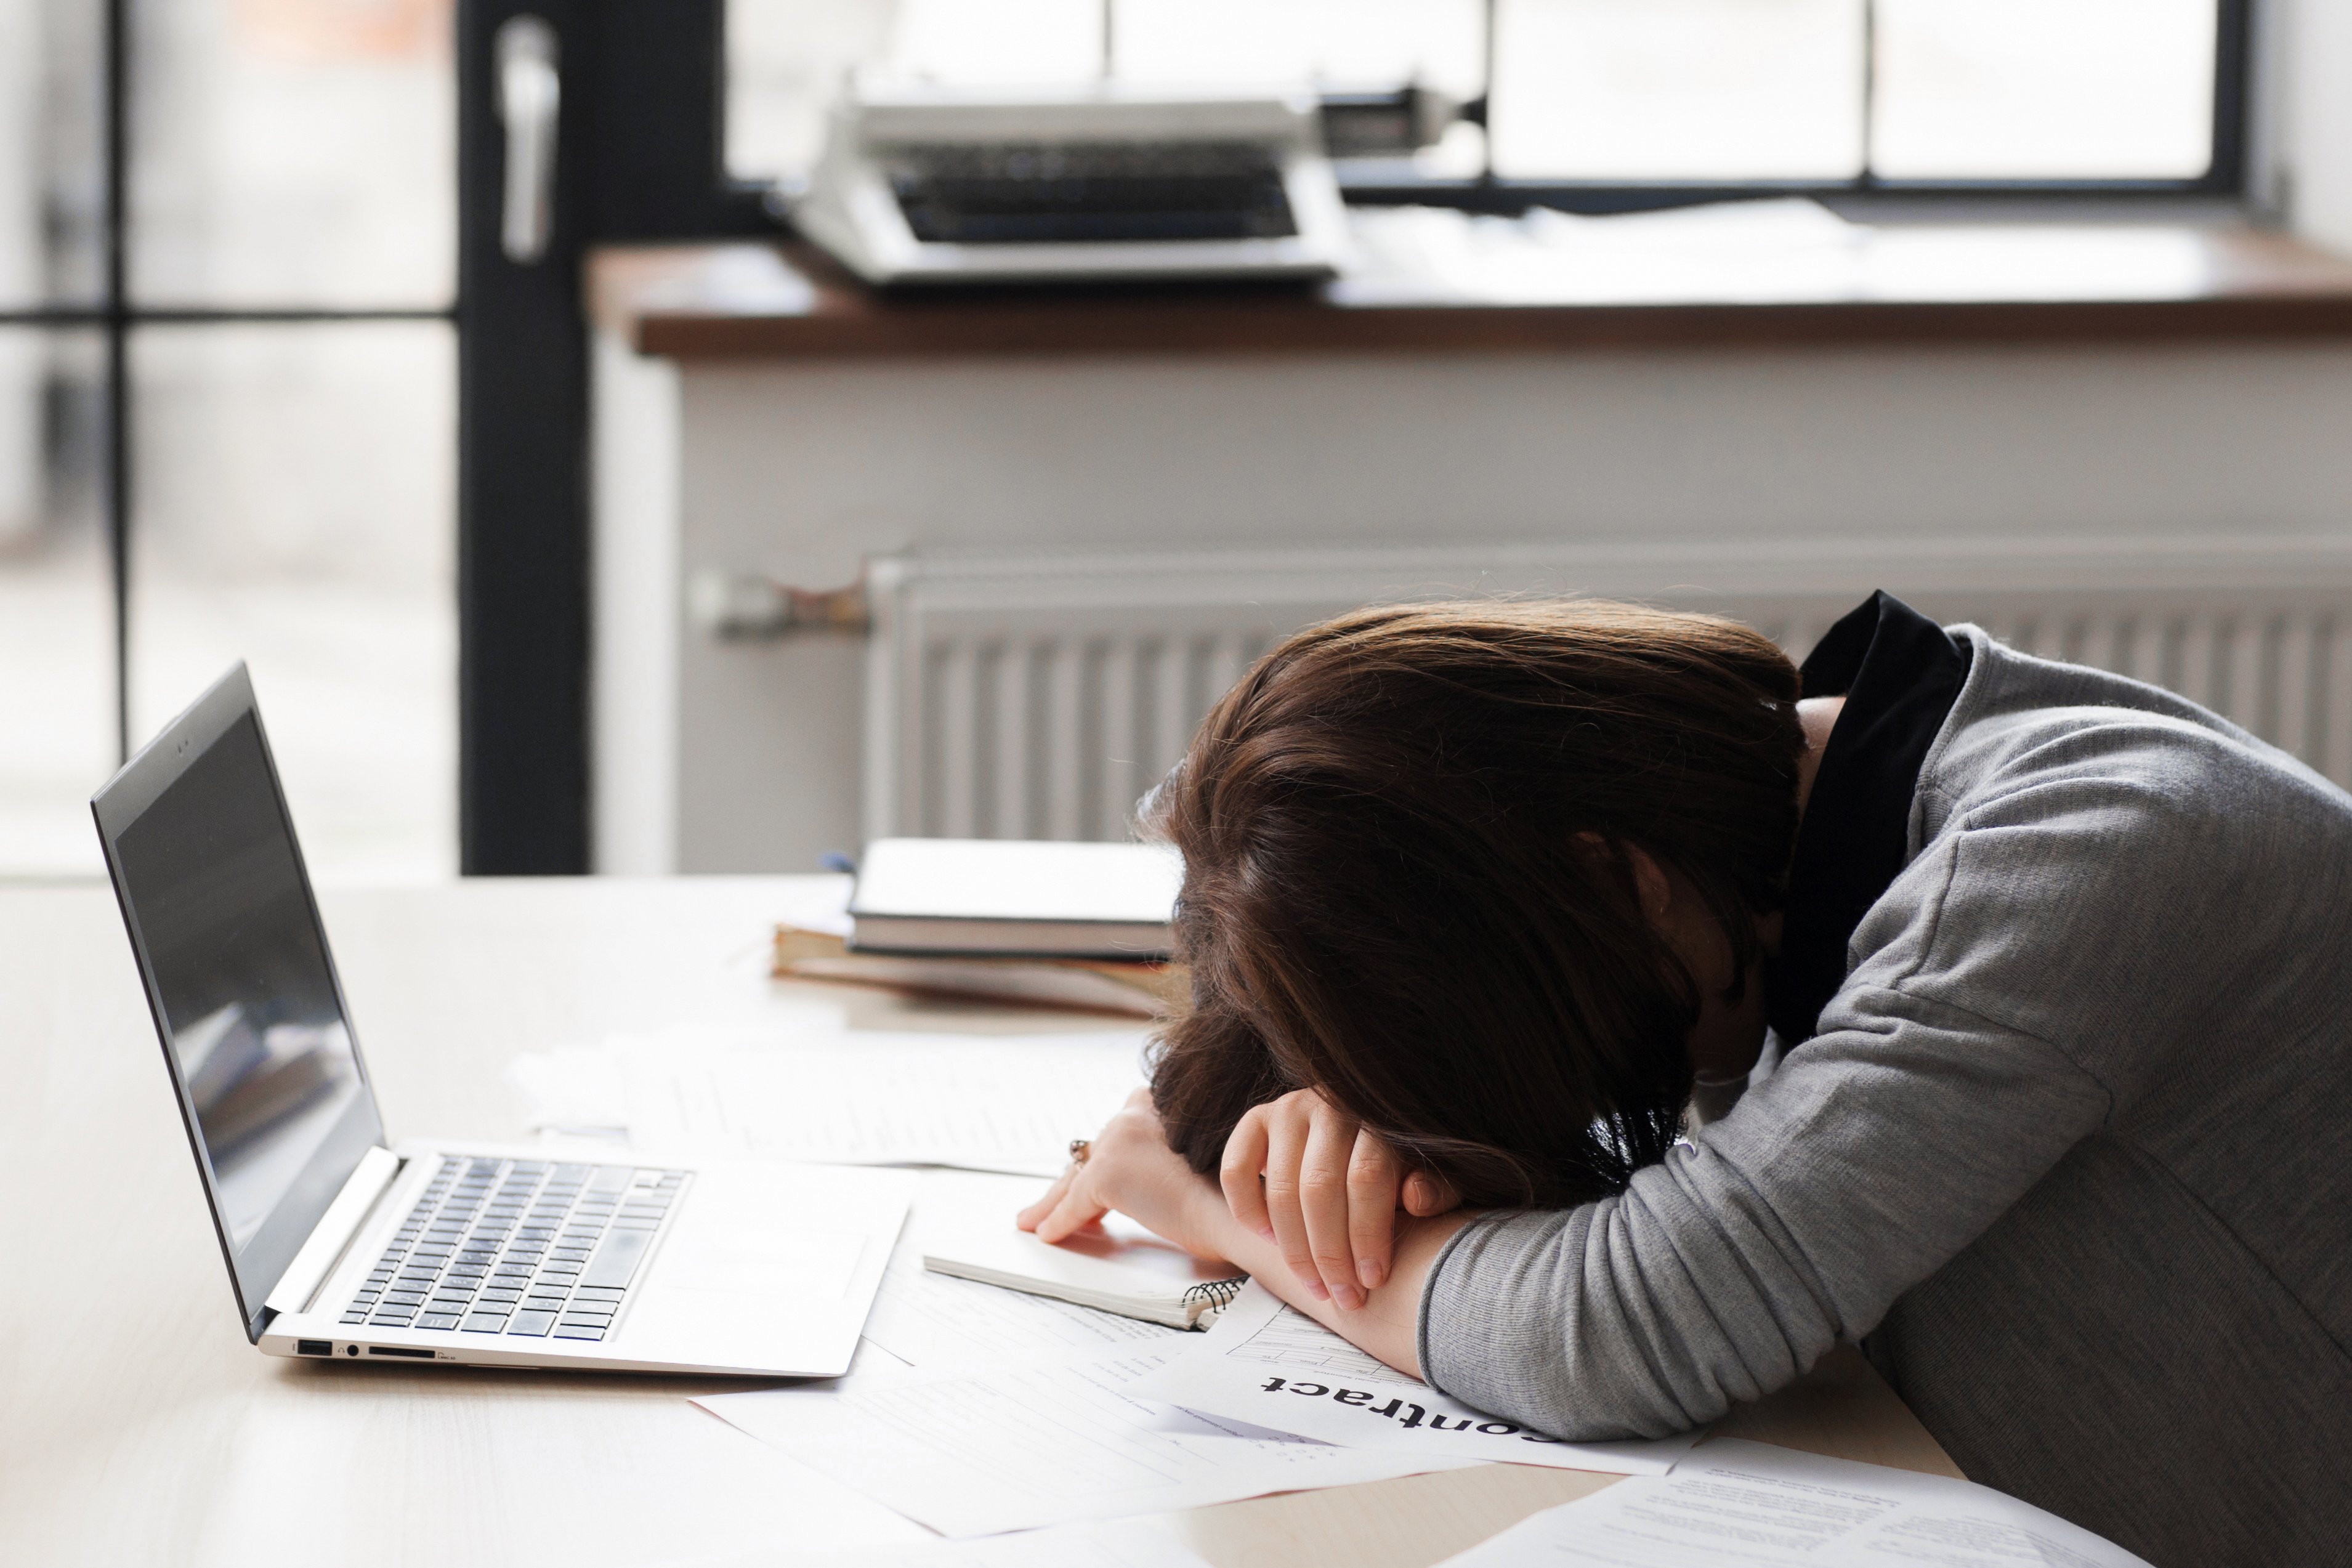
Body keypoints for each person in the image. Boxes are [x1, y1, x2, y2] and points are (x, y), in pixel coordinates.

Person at [1017, 591, 2352, 1567]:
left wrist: (1222, 1215)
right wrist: (1332, 1130)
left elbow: (1626, 1325)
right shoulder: (1784, 861)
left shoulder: (2077, 858)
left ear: (1617, 879)